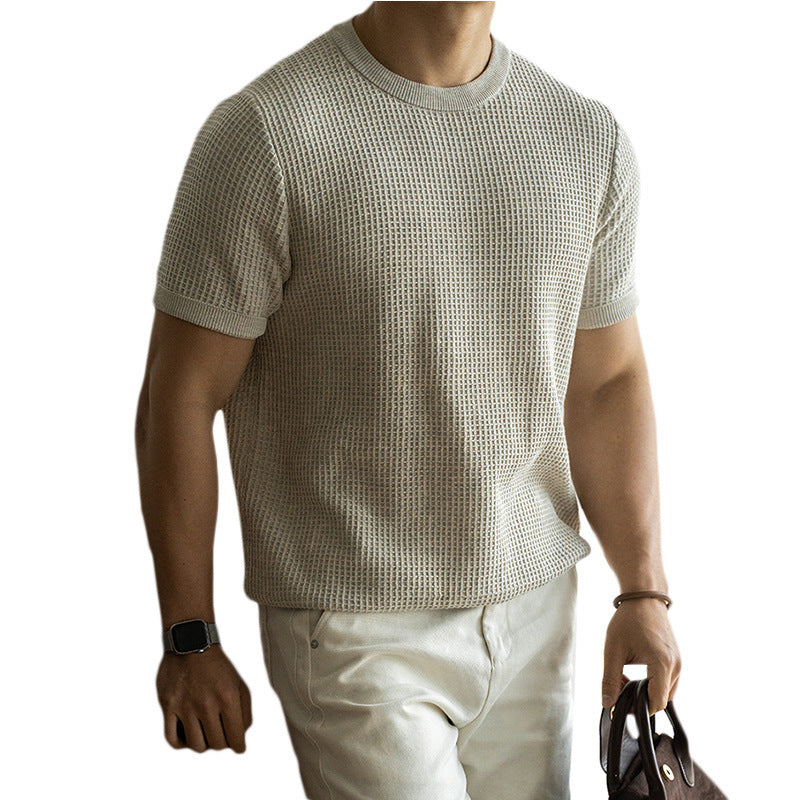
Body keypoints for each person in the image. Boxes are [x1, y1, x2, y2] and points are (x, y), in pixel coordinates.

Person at [135, 2, 681, 798]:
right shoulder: (266, 135)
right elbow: (179, 395)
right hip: (354, 624)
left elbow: (607, 381)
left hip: (536, 613)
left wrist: (643, 590)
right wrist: (189, 634)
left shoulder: (584, 138)